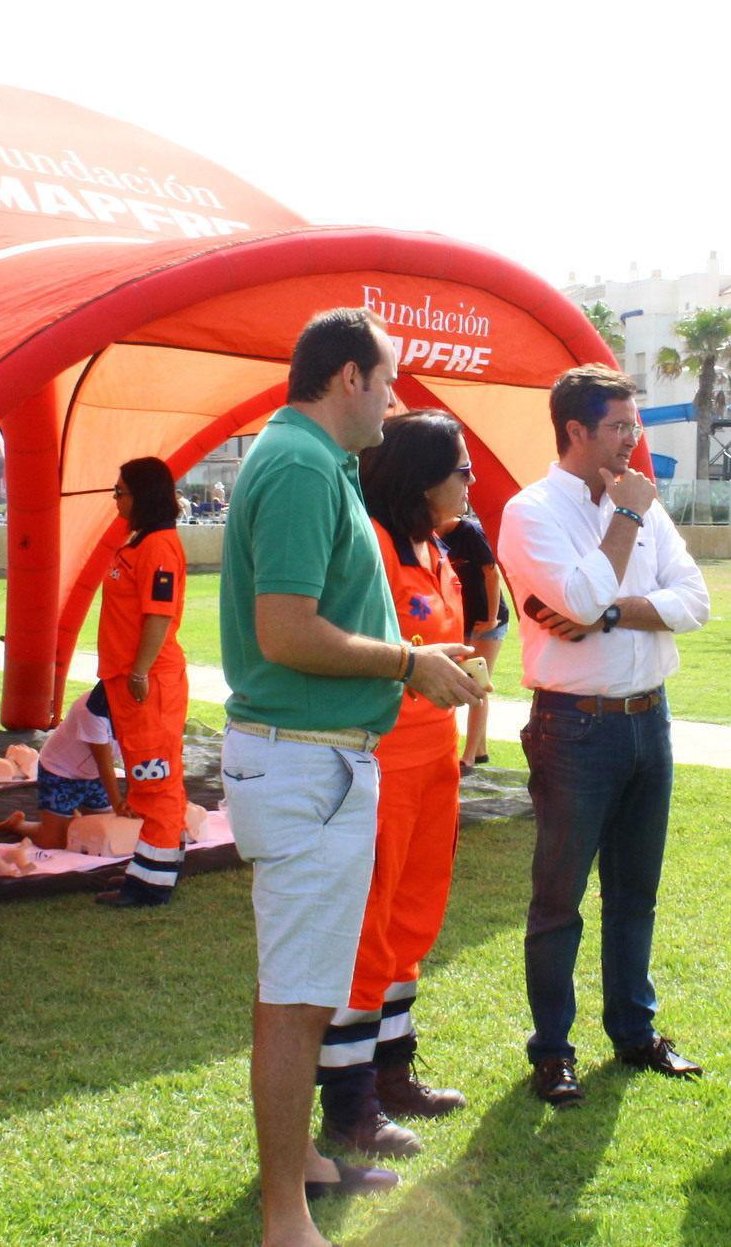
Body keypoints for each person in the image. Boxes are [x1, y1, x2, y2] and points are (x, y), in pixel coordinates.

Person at [220, 308, 481, 1246]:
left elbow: (314, 619)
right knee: (294, 999)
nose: (397, 396)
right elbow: (286, 632)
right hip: (305, 760)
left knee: (306, 986)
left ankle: (305, 1170)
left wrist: (415, 652)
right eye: (388, 377)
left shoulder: (311, 459)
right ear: (345, 378)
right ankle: (285, 1215)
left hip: (321, 757)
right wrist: (408, 665)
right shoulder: (296, 464)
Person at [497, 365, 712, 1108]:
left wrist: (613, 613)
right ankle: (552, 1051)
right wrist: (622, 528)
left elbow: (694, 600)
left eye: (635, 426)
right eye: (620, 426)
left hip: (648, 718)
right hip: (573, 727)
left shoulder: (646, 504)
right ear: (576, 431)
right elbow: (578, 596)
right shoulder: (531, 513)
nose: (633, 440)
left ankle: (634, 1030)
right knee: (558, 899)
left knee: (636, 894)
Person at [317, 410, 476, 1159]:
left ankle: (393, 1069)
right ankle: (350, 1105)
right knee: (369, 928)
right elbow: (358, 644)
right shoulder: (374, 544)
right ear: (423, 474)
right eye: (462, 467)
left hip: (434, 761)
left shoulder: (437, 547)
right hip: (381, 761)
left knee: (414, 917)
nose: (471, 480)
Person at [94, 456, 191, 908]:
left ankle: (152, 882)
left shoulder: (158, 547)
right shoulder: (140, 541)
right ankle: (152, 866)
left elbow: (159, 613)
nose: (116, 499)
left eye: (120, 491)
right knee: (146, 775)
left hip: (147, 681)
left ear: (142, 495)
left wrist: (138, 671)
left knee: (156, 778)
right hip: (130, 678)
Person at [0, 682, 124, 850]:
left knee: (105, 836)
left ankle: (71, 819)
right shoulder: (90, 709)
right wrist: (119, 805)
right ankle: (18, 825)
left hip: (94, 777)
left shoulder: (142, 708)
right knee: (55, 842)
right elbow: (103, 764)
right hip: (60, 772)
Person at [439, 510, 508, 772]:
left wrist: (491, 619)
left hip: (487, 621)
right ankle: (480, 751)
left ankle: (467, 757)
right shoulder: (432, 533)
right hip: (462, 620)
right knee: (467, 680)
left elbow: (492, 574)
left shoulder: (470, 532)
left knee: (477, 682)